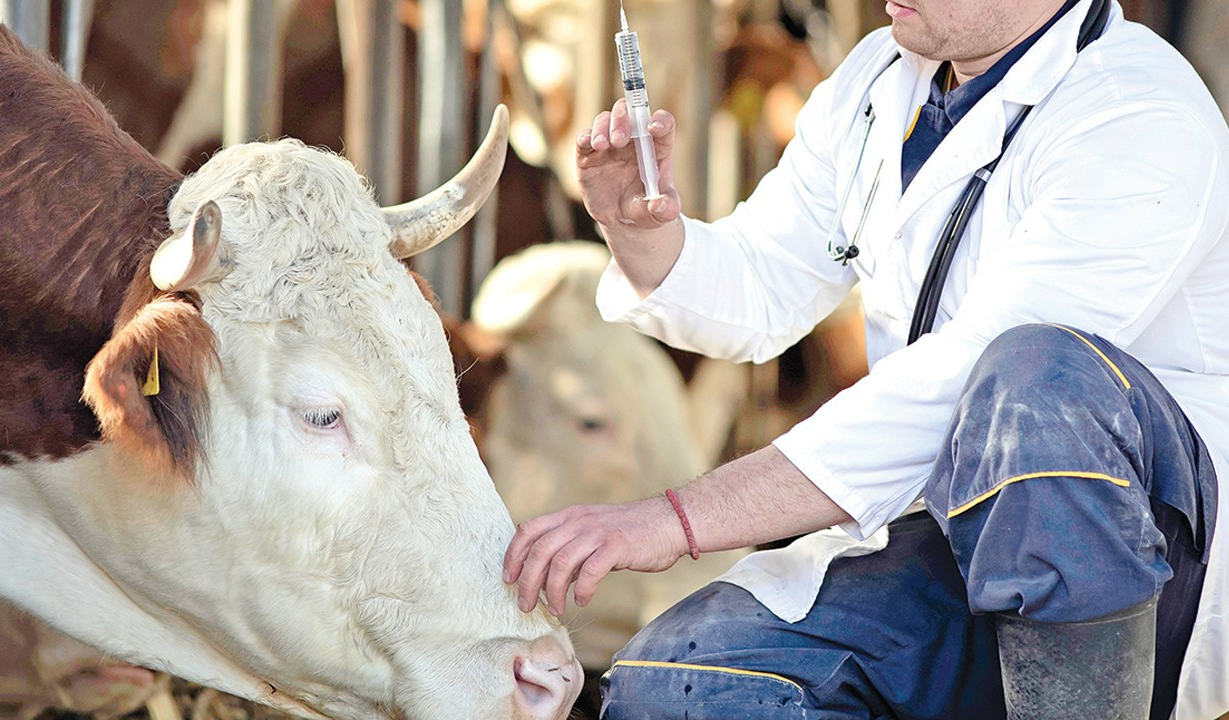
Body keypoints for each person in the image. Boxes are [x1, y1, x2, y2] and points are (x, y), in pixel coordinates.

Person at [501, 0, 1229, 718]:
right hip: (951, 532)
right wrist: (639, 233)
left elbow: (963, 392)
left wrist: (676, 519)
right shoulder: (881, 75)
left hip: (1150, 572)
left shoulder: (1137, 114)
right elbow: (762, 282)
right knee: (677, 683)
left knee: (1035, 379)